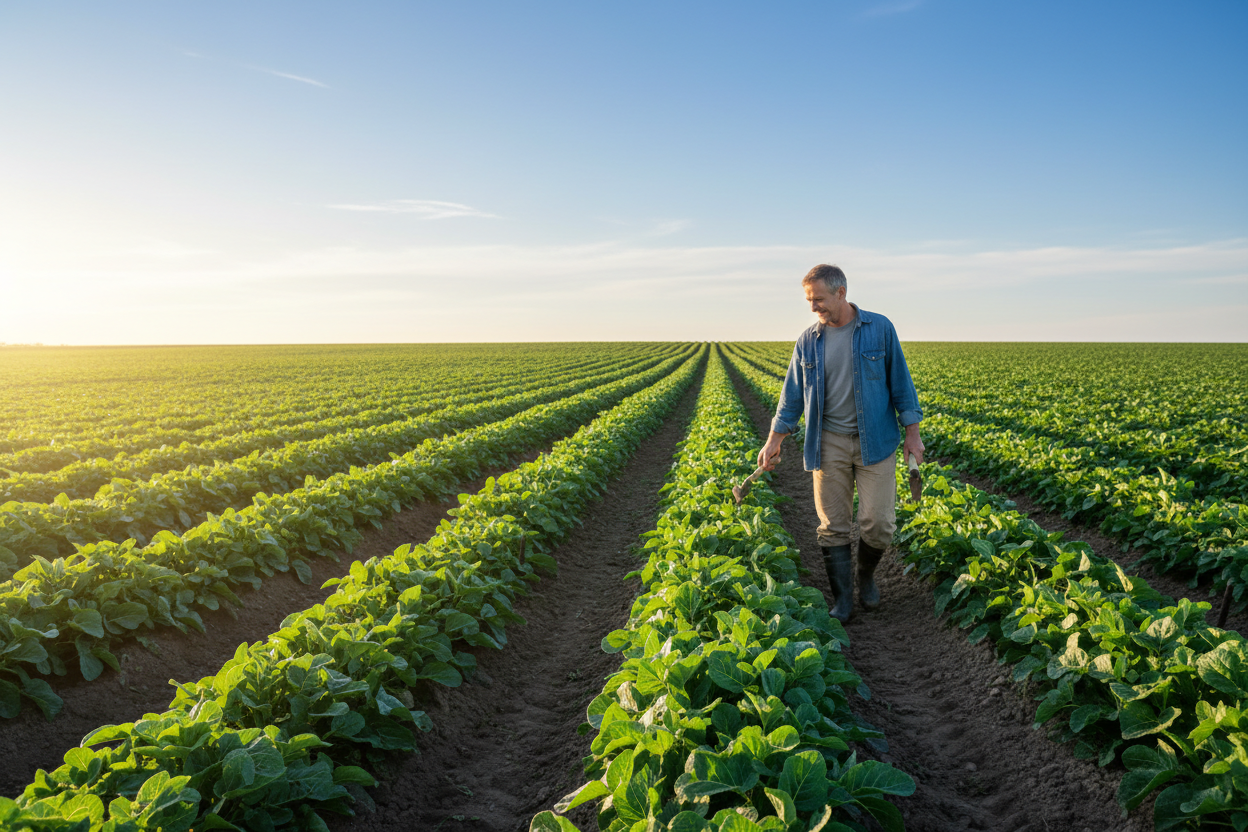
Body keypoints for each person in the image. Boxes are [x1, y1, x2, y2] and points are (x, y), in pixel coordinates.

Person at [756, 264, 924, 622]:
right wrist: (774, 440)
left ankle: (865, 575)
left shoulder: (879, 329)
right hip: (827, 442)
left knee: (878, 523)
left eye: (819, 299)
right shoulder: (808, 341)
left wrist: (913, 434)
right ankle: (843, 598)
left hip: (875, 441)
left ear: (841, 293)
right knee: (832, 524)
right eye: (809, 300)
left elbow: (901, 383)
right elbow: (792, 398)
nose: (814, 307)